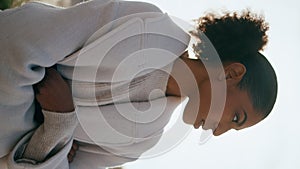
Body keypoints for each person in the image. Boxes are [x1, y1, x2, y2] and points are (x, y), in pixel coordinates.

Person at [0, 0, 277, 169]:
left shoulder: (142, 141)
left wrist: (59, 123)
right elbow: (22, 37)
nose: (218, 132)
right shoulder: (151, 26)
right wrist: (47, 146)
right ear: (231, 74)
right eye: (235, 118)